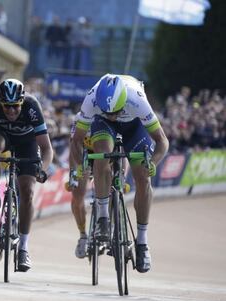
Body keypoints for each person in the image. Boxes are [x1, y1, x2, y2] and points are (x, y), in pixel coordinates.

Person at [69, 74, 169, 273]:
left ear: (124, 101)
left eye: (116, 111)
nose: (113, 115)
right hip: (103, 125)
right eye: (109, 112)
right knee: (102, 154)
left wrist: (153, 163)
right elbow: (76, 140)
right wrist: (80, 165)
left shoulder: (137, 99)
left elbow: (162, 141)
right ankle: (104, 218)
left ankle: (142, 243)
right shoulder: (92, 100)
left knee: (142, 177)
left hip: (134, 127)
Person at [0, 78, 53, 272]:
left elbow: (46, 148)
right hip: (1, 138)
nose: (11, 111)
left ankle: (23, 248)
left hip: (27, 143)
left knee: (27, 192)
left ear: (22, 102)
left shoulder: (32, 107)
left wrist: (42, 169)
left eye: (15, 107)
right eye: (7, 107)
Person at [68, 112, 94, 258]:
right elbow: (73, 145)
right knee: (78, 194)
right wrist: (73, 173)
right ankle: (83, 235)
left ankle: (110, 223)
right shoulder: (81, 116)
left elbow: (122, 149)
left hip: (108, 150)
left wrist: (121, 176)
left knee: (114, 187)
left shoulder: (114, 115)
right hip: (85, 153)